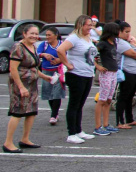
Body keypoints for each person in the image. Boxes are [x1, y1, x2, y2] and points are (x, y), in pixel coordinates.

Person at [4, 23, 51, 153]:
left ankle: (25, 139)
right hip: (20, 83)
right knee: (17, 111)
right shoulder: (18, 47)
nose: (34, 36)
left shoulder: (33, 47)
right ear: (24, 34)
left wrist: (45, 77)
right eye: (32, 33)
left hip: (32, 84)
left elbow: (34, 67)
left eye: (36, 34)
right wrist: (21, 87)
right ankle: (8, 143)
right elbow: (13, 69)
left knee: (31, 111)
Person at [57, 15, 99, 145]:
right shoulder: (73, 38)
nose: (91, 28)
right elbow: (60, 50)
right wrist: (67, 64)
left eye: (92, 25)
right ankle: (71, 133)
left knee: (80, 104)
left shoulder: (87, 38)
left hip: (87, 74)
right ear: (81, 25)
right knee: (74, 104)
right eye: (88, 25)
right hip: (76, 75)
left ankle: (79, 130)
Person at [115, 21, 136, 129]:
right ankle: (120, 121)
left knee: (130, 96)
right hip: (127, 72)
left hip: (135, 72)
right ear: (119, 32)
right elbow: (133, 54)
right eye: (126, 32)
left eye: (129, 32)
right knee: (123, 96)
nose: (128, 34)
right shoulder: (119, 42)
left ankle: (129, 119)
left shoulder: (127, 42)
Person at [37, 26, 66, 126]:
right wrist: (44, 55)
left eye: (49, 35)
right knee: (49, 93)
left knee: (57, 93)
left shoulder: (62, 44)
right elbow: (37, 53)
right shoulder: (44, 45)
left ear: (56, 35)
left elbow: (68, 55)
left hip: (58, 72)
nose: (47, 37)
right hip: (46, 72)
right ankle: (55, 112)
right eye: (46, 35)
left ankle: (53, 115)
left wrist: (59, 60)